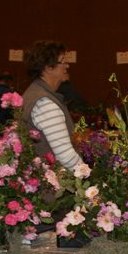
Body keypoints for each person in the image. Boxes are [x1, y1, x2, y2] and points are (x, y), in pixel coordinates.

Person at [21, 41, 82, 170]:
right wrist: (89, 178)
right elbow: (66, 156)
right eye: (63, 61)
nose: (67, 66)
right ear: (48, 67)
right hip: (53, 184)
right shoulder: (44, 103)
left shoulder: (34, 92)